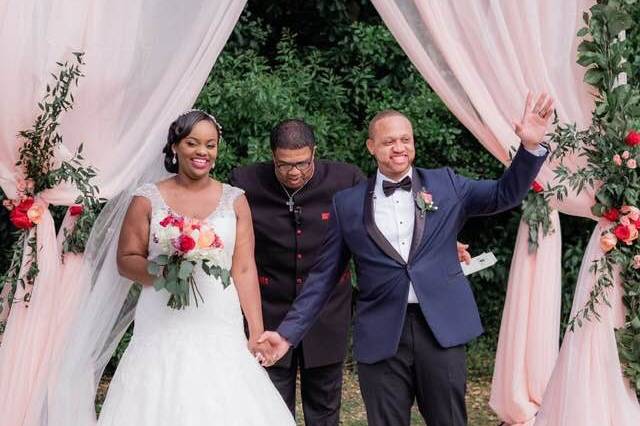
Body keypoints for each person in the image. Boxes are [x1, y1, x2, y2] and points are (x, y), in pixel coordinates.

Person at [260, 92, 554, 426]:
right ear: (371, 146)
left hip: (440, 330)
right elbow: (324, 276)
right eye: (388, 141)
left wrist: (530, 148)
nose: (398, 147)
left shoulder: (446, 185)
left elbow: (505, 194)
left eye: (405, 139)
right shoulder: (348, 203)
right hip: (382, 334)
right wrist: (286, 335)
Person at [97, 110, 294, 425]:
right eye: (193, 143)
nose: (203, 152)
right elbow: (126, 259)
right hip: (162, 319)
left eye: (210, 145)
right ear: (175, 146)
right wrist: (163, 270)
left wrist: (255, 330)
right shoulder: (147, 199)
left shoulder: (235, 200)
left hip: (219, 318)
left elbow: (243, 268)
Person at [229, 119, 365, 425]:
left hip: (327, 312)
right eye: (284, 165)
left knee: (325, 407)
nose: (294, 172)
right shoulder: (244, 182)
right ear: (272, 156)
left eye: (302, 163)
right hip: (268, 312)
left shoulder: (348, 179)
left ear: (314, 152)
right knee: (271, 407)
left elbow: (379, 226)